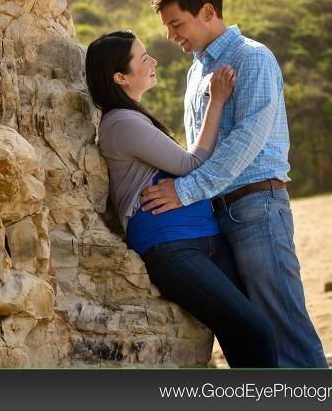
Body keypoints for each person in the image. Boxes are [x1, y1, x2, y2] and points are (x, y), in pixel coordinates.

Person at [140, 0, 328, 368]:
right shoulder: (196, 72)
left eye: (177, 25)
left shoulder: (252, 58)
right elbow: (198, 149)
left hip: (258, 207)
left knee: (287, 330)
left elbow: (246, 142)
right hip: (217, 214)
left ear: (207, 11)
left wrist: (184, 191)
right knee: (255, 335)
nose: (172, 37)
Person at [86, 30, 277, 368]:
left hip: (206, 236)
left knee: (244, 333)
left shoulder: (135, 118)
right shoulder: (120, 122)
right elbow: (192, 163)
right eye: (143, 58)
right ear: (120, 77)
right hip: (171, 245)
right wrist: (216, 101)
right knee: (256, 330)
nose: (153, 61)